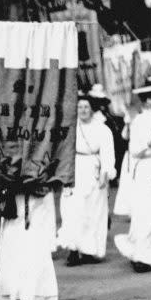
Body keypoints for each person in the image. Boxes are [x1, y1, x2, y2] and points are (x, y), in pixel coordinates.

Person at [113, 82, 151, 272]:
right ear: (145, 101)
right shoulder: (140, 120)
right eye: (150, 98)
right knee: (146, 214)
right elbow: (133, 150)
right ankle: (141, 256)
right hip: (146, 168)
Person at [58, 94, 116, 265]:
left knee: (93, 212)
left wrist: (106, 172)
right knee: (72, 211)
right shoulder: (69, 128)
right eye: (79, 107)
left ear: (92, 109)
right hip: (74, 170)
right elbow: (61, 152)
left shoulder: (102, 129)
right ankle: (73, 250)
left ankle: (89, 250)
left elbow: (108, 152)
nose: (82, 110)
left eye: (86, 107)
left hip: (93, 171)